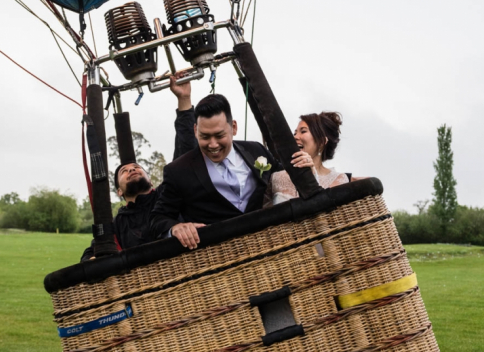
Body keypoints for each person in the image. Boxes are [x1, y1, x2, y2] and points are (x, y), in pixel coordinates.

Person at [81, 76, 196, 257]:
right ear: (119, 191)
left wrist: (184, 100)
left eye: (136, 167)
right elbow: (93, 250)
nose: (132, 169)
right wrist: (91, 259)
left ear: (150, 180)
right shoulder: (118, 223)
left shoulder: (166, 196)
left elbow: (186, 153)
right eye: (124, 172)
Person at [150, 93, 280, 249]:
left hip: (268, 246)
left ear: (234, 127)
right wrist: (175, 228)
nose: (212, 144)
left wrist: (305, 164)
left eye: (219, 135)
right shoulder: (177, 171)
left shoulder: (256, 150)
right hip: (217, 257)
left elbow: (283, 175)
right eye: (205, 136)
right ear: (195, 130)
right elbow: (157, 218)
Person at [266, 111, 354, 206]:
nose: (295, 137)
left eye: (303, 131)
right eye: (295, 133)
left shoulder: (339, 180)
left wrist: (312, 176)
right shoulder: (276, 177)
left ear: (321, 141)